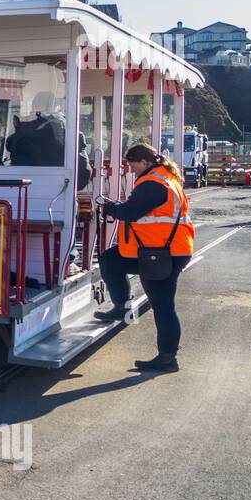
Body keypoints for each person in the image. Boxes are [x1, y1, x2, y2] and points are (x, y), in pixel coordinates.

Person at [92, 142, 195, 373]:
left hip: (161, 254)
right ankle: (122, 307)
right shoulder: (165, 178)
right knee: (110, 260)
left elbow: (130, 212)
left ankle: (168, 358)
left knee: (163, 305)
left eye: (133, 165)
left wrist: (107, 206)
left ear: (144, 162)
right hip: (159, 250)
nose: (131, 170)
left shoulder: (153, 183)